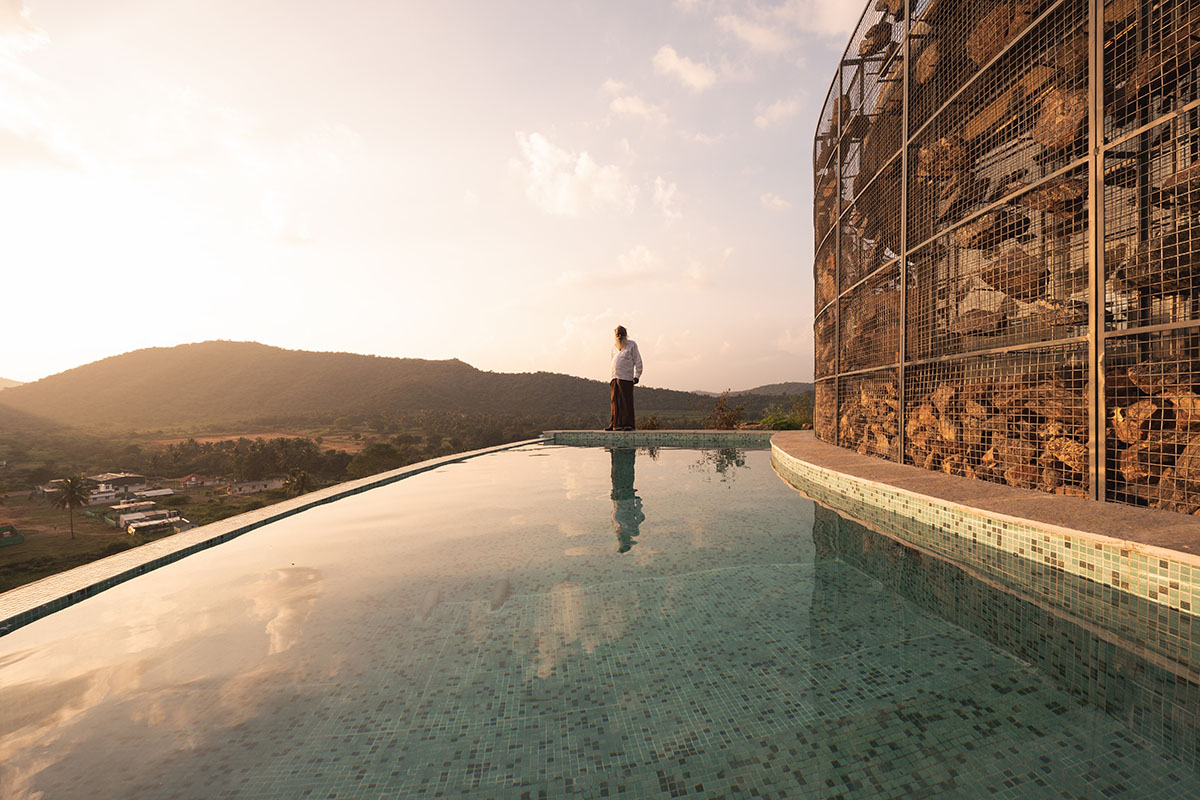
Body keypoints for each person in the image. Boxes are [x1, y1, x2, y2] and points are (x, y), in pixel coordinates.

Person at [606, 325, 643, 431]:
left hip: (626, 378)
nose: (620, 335)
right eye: (618, 333)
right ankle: (614, 424)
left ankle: (628, 424)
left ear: (625, 334)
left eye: (621, 333)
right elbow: (613, 362)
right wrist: (612, 377)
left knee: (626, 402)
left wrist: (637, 376)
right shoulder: (614, 347)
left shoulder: (632, 344)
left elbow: (638, 361)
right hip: (615, 378)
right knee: (614, 402)